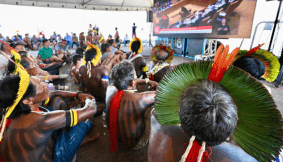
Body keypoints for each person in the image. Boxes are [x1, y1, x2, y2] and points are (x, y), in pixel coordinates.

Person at [148, 45, 283, 162]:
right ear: (235, 122)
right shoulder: (247, 157)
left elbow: (155, 112)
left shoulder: (157, 124)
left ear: (179, 113)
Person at [0, 66, 97, 161]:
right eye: (41, 85)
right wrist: (88, 99)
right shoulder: (39, 120)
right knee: (84, 119)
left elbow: (54, 93)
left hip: (42, 149)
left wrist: (78, 94)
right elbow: (89, 110)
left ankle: (71, 141)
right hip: (53, 158)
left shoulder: (16, 107)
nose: (46, 85)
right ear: (28, 101)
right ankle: (72, 143)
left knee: (56, 100)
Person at [106, 60, 158, 152]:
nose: (136, 78)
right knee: (153, 109)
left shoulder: (110, 89)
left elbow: (131, 81)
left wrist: (147, 80)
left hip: (116, 138)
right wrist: (153, 83)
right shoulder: (141, 99)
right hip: (135, 144)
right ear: (132, 83)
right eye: (135, 77)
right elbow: (161, 93)